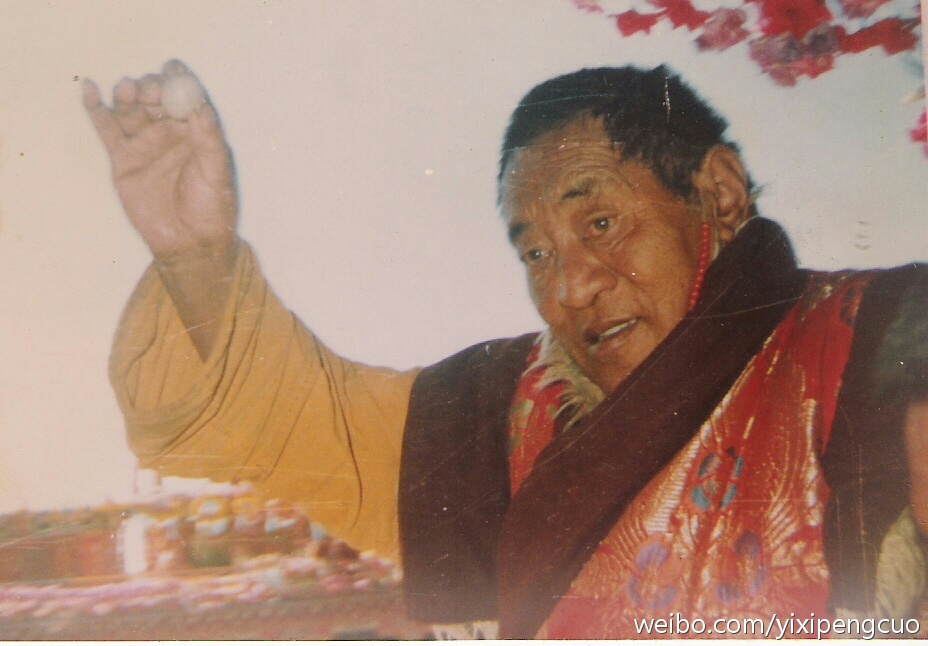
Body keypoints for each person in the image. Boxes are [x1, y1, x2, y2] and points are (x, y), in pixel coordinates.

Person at [84, 60, 928, 639]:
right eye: (537, 253)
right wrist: (196, 260)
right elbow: (305, 425)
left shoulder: (884, 342)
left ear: (720, 193)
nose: (571, 287)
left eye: (601, 222)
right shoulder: (501, 411)